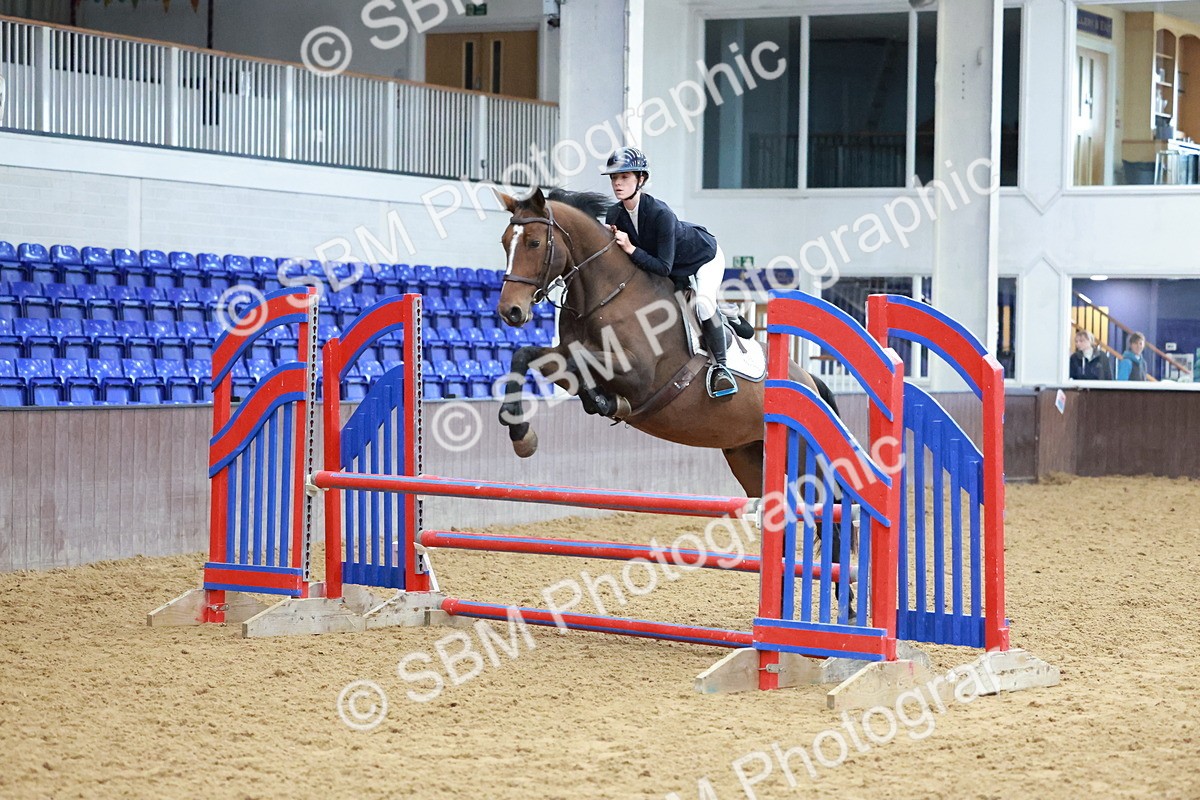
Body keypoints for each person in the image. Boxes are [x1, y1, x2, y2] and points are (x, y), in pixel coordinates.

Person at [601, 146, 746, 398]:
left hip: (703, 257)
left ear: (641, 179)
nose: (617, 183)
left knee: (701, 304)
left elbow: (662, 266)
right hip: (673, 268)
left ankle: (722, 368)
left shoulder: (661, 214)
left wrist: (630, 248)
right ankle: (724, 314)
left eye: (624, 177)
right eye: (614, 178)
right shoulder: (615, 214)